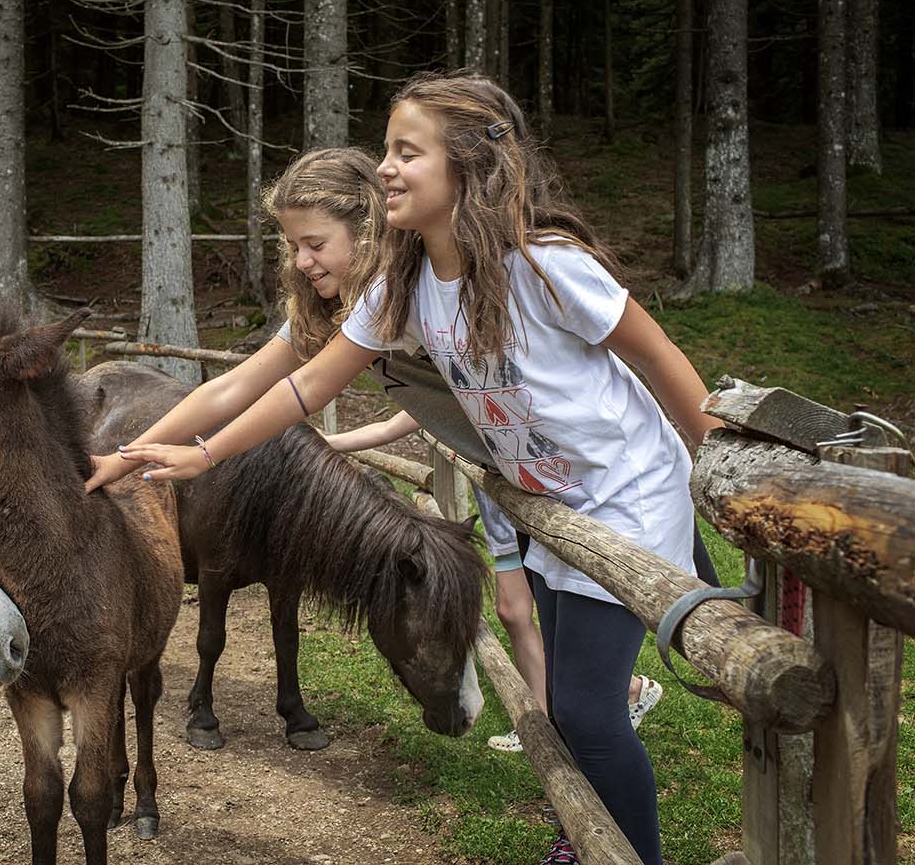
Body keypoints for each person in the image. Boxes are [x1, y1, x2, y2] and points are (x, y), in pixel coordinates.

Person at [88, 72, 724, 865]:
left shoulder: (532, 265)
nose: (385, 164)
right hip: (547, 492)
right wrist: (169, 452)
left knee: (591, 712)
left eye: (404, 150)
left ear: (462, 167)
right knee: (565, 698)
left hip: (619, 489)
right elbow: (281, 385)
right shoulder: (404, 292)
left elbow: (657, 357)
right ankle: (590, 838)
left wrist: (721, 470)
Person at [323, 410, 664, 753]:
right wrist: (325, 444)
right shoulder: (451, 390)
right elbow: (392, 426)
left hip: (530, 521)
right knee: (513, 613)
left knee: (542, 616)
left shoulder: (499, 390)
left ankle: (623, 692)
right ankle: (547, 719)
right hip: (504, 527)